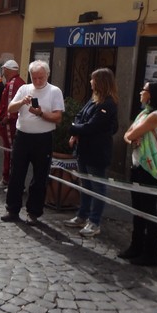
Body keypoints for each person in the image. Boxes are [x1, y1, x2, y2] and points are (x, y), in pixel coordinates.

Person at [1, 60, 64, 225]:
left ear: (47, 75)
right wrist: (22, 102)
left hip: (43, 139)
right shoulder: (24, 89)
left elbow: (58, 117)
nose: (37, 81)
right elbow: (10, 108)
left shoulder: (54, 91)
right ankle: (12, 209)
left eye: (40, 78)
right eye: (34, 77)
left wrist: (41, 113)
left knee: (39, 177)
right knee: (16, 174)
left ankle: (34, 212)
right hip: (22, 137)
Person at [119, 81, 157, 266]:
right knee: (137, 210)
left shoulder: (156, 115)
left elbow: (132, 135)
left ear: (152, 94)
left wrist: (131, 136)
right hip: (137, 165)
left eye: (144, 90)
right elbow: (127, 134)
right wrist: (130, 136)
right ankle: (136, 246)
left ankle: (150, 254)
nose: (141, 92)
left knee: (149, 211)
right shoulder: (144, 113)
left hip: (149, 170)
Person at [63, 68, 119, 237]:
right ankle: (82, 215)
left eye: (93, 79)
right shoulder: (93, 99)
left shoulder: (108, 103)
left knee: (97, 187)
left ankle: (94, 222)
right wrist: (76, 131)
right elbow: (80, 116)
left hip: (97, 152)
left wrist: (73, 130)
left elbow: (93, 126)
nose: (90, 82)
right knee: (85, 185)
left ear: (100, 82)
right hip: (84, 150)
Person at [0, 60, 25, 189]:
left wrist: (5, 120)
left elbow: (9, 105)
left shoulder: (13, 84)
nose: (3, 72)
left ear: (8, 70)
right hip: (12, 122)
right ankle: (9, 179)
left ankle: (10, 180)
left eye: (4, 69)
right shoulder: (17, 83)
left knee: (11, 152)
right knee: (10, 152)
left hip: (10, 124)